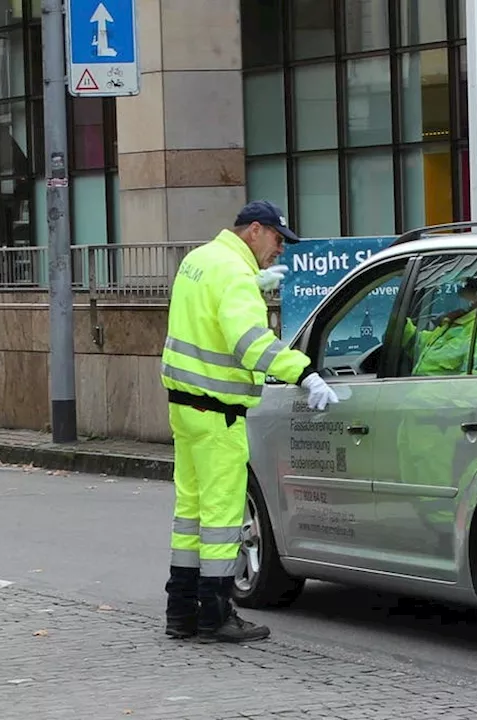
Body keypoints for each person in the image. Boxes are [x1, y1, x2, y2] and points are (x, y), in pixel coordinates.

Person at [160, 200, 340, 644]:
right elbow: (250, 344)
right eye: (278, 239)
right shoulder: (235, 275)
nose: (280, 249)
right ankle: (216, 614)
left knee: (191, 514)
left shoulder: (199, 260)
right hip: (218, 414)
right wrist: (303, 372)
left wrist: (250, 285)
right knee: (222, 517)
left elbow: (207, 318)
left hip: (184, 408)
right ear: (254, 231)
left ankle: (180, 610)